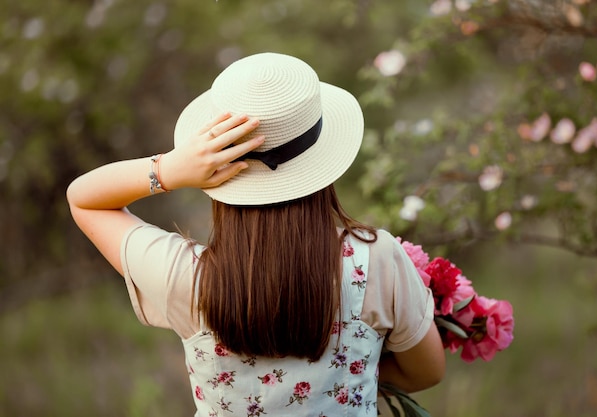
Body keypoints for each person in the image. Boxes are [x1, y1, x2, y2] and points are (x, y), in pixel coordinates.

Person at [67, 52, 445, 416]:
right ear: (322, 166)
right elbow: (426, 370)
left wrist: (168, 169)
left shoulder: (184, 276)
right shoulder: (377, 258)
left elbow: (83, 199)